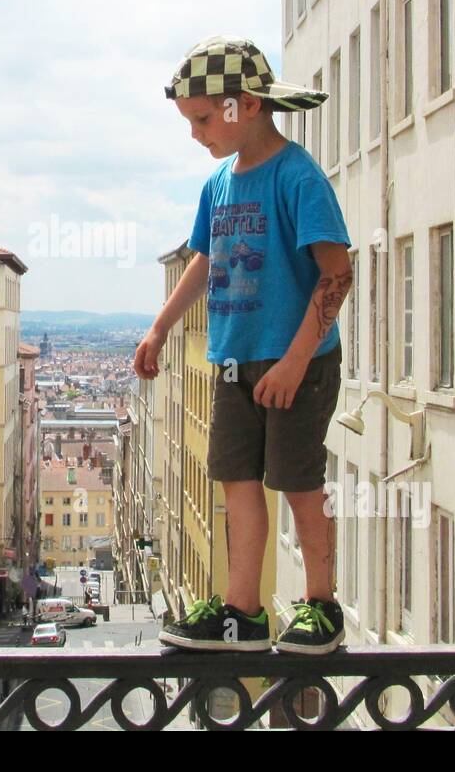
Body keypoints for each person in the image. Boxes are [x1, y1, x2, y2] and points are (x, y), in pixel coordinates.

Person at [133, 36, 352, 655]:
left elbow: (337, 274)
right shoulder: (219, 184)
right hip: (232, 359)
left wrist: (294, 360)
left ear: (246, 106)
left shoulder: (298, 177)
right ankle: (242, 613)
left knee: (299, 480)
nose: (197, 133)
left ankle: (321, 607)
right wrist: (161, 326)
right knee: (236, 481)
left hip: (296, 364)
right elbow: (205, 258)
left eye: (203, 118)